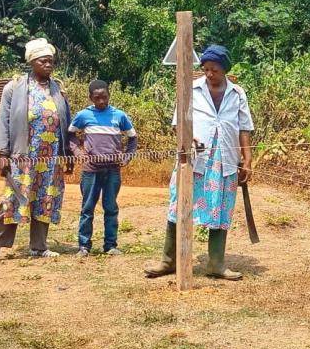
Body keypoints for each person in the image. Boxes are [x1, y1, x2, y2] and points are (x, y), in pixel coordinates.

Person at [144, 44, 254, 280]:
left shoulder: (238, 93)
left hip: (225, 159)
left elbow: (244, 127)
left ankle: (216, 263)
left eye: (214, 69)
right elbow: (177, 123)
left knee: (221, 209)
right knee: (179, 205)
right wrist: (188, 136)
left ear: (224, 69)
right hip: (193, 159)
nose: (209, 74)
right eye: (205, 69)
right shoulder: (191, 90)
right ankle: (169, 260)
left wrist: (248, 158)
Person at [0, 38, 72, 263]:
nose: (49, 65)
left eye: (51, 61)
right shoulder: (14, 88)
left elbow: (66, 123)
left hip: (51, 159)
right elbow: (2, 121)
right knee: (14, 198)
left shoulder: (57, 89)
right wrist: (2, 154)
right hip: (23, 157)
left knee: (46, 199)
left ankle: (39, 247)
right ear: (32, 62)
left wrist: (68, 154)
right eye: (44, 61)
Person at [68, 80, 138, 256]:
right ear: (90, 97)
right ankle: (84, 246)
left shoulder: (119, 115)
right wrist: (78, 152)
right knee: (87, 209)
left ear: (109, 95)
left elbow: (133, 138)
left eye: (104, 97)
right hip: (91, 170)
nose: (101, 101)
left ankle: (110, 246)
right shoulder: (84, 115)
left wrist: (127, 156)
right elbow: (70, 135)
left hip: (112, 170)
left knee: (111, 208)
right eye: (97, 98)